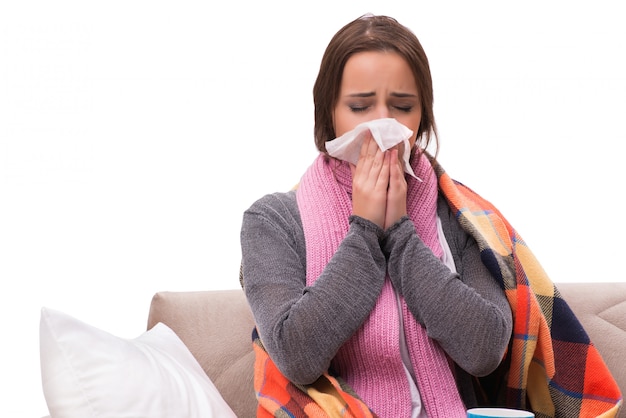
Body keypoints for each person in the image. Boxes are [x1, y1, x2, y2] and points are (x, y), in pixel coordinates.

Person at [240, 14, 622, 418]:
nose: (381, 124)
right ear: (328, 113)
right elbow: (296, 355)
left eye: (401, 106)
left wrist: (402, 236)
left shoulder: (459, 214)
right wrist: (365, 232)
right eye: (359, 106)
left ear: (422, 116)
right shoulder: (273, 221)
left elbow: (485, 350)